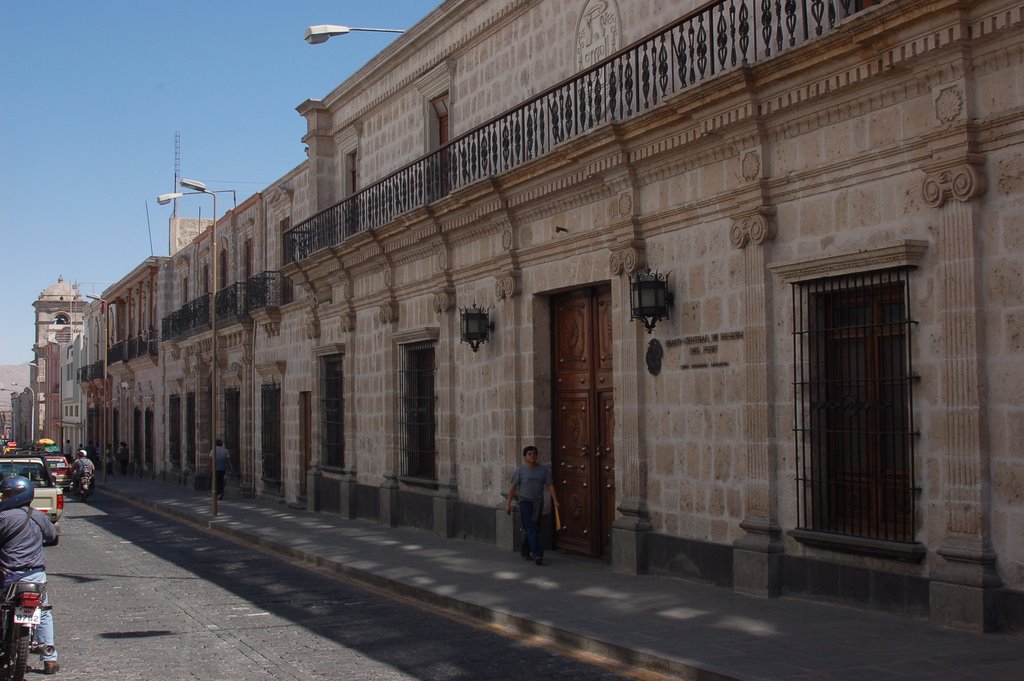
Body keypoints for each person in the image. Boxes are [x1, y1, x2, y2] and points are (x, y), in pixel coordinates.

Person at [0, 475, 59, 674]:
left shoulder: (3, 517)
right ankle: (50, 657)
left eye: (6, 494)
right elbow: (52, 536)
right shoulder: (38, 516)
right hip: (35, 576)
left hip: (9, 576)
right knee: (44, 612)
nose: (3, 498)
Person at [505, 445, 559, 566]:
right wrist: (508, 503)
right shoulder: (520, 471)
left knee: (533, 528)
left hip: (538, 503)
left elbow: (550, 485)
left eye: (534, 454)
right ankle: (537, 554)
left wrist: (555, 500)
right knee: (531, 527)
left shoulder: (543, 470)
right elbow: (513, 487)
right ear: (525, 457)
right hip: (525, 502)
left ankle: (524, 550)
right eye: (529, 454)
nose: (532, 456)